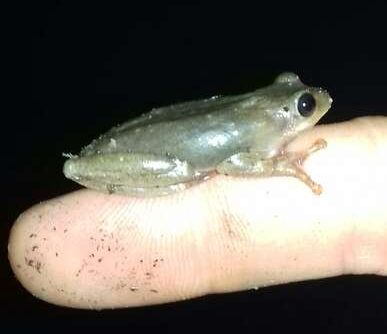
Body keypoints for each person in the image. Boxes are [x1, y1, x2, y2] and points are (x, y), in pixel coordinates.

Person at [8, 117, 387, 309]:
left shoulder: (254, 120)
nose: (314, 109)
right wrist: (284, 166)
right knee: (186, 171)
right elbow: (238, 162)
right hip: (164, 161)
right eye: (304, 108)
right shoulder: (258, 127)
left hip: (140, 139)